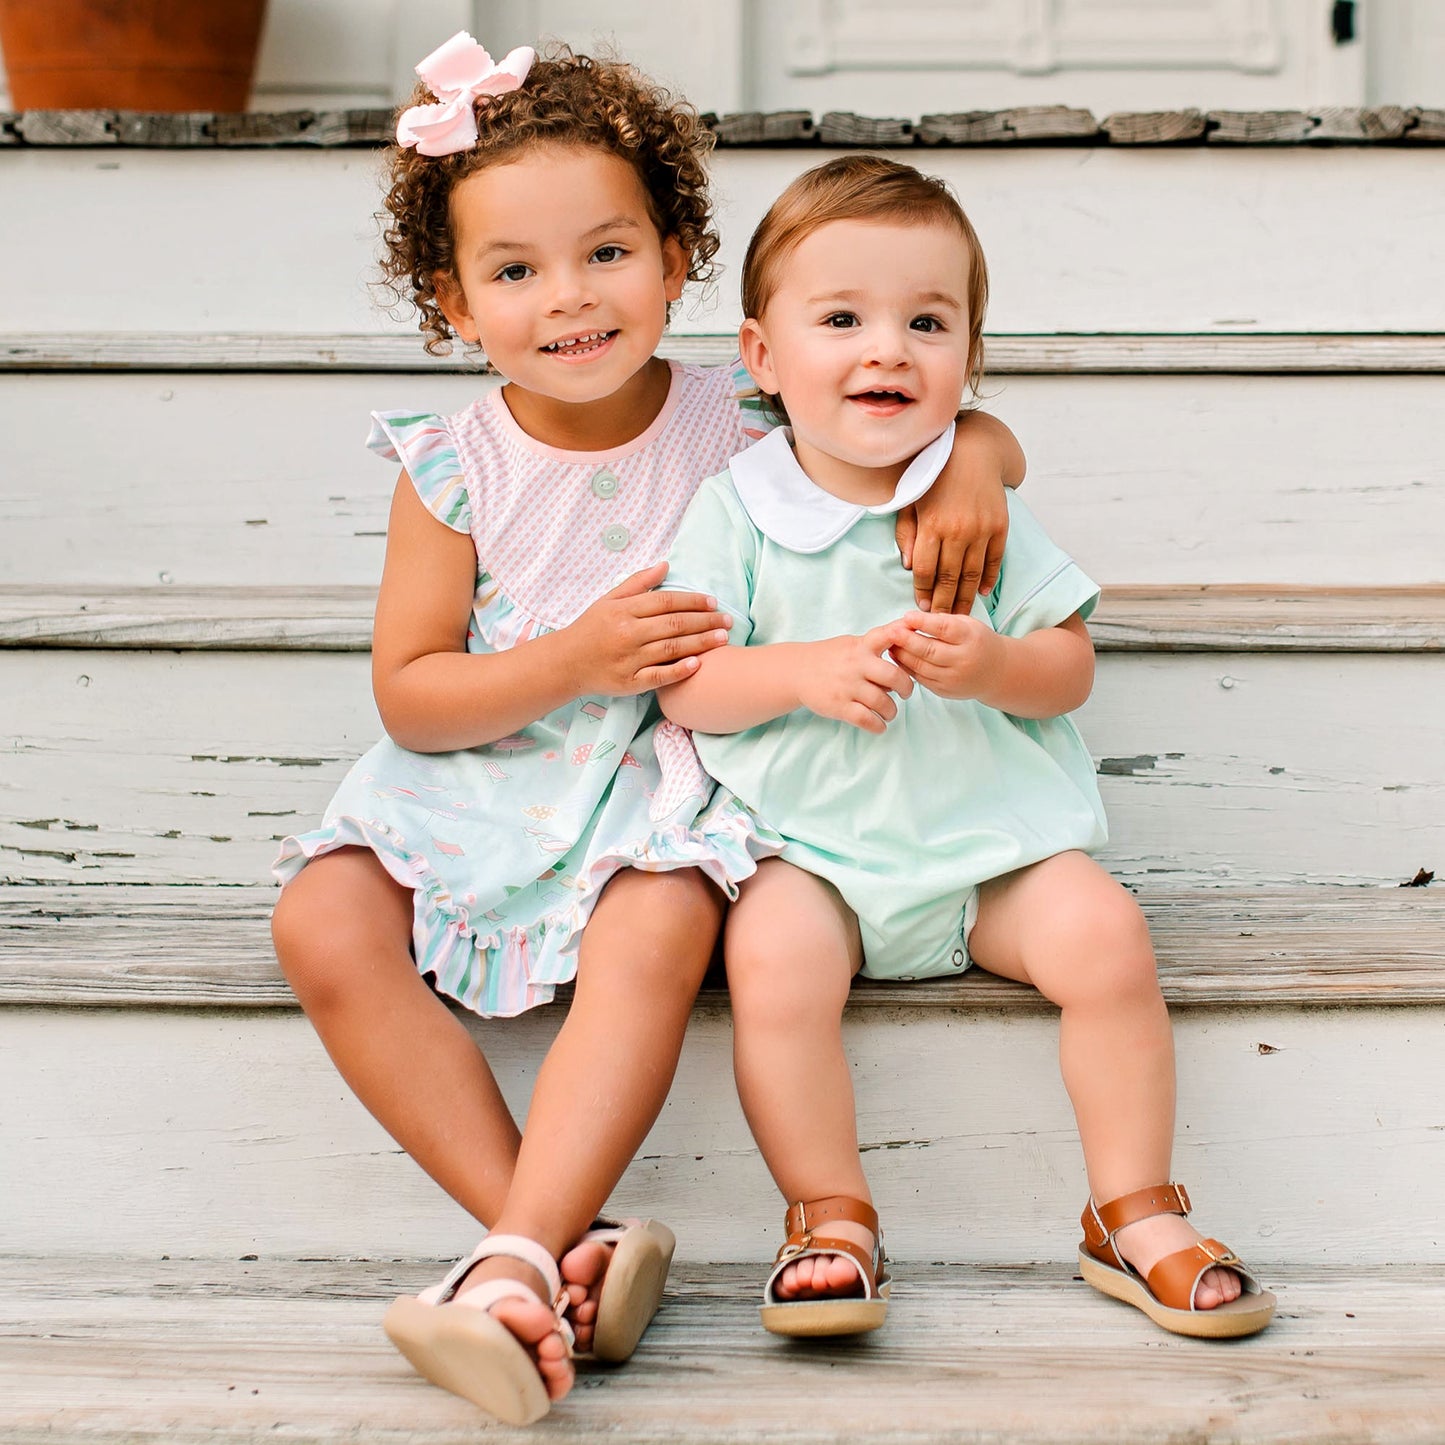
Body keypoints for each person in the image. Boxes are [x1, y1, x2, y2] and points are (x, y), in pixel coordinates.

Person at [269, 36, 1028, 1425]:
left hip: (666, 772)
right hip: (495, 758)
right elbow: (410, 690)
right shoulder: (453, 467)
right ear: (449, 299)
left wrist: (973, 450)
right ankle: (550, 1242)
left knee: (664, 926)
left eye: (606, 252)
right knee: (320, 920)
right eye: (512, 272)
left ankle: (511, 1269)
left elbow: (903, 418)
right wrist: (566, 656)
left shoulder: (738, 411)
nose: (567, 299)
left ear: (680, 255)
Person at [659, 154, 1277, 1344]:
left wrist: (994, 668)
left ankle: (1130, 1205)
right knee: (773, 963)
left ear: (969, 358)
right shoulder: (738, 508)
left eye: (925, 322)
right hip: (815, 856)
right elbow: (688, 686)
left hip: (988, 856)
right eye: (840, 318)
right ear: (761, 356)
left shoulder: (973, 499)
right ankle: (828, 1210)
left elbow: (1067, 657)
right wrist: (799, 669)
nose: (886, 349)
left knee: (1104, 934)